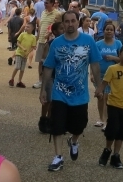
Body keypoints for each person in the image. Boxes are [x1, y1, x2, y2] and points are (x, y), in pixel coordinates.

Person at [40, 10, 102, 172]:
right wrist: (44, 90)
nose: (70, 24)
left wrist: (100, 86)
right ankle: (58, 156)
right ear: (63, 23)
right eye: (66, 22)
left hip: (80, 94)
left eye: (73, 21)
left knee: (79, 125)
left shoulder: (88, 41)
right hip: (59, 92)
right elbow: (48, 68)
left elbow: (95, 64)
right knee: (57, 125)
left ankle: (73, 141)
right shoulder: (57, 43)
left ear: (78, 22)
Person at [93, 21, 121, 128]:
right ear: (103, 31)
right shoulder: (97, 44)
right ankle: (101, 118)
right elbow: (94, 60)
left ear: (114, 32)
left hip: (112, 76)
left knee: (107, 97)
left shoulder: (118, 44)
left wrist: (113, 58)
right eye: (107, 29)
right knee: (100, 97)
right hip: (99, 75)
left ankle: (107, 120)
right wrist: (91, 74)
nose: (109, 31)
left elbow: (122, 59)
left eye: (111, 30)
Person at [8, 20, 36, 88]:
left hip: (25, 55)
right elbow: (18, 43)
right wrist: (22, 48)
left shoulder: (33, 37)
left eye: (28, 27)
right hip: (19, 53)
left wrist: (28, 52)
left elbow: (33, 47)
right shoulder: (22, 34)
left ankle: (19, 81)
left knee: (22, 69)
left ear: (32, 28)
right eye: (26, 27)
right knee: (17, 66)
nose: (26, 28)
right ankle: (12, 79)